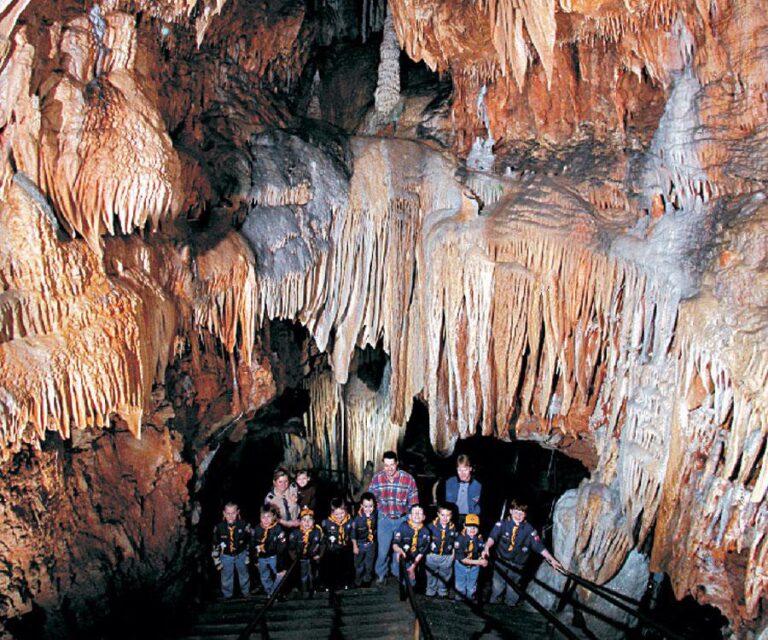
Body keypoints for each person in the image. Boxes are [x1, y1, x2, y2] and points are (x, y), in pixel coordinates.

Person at [482, 500, 564, 605]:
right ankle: (492, 604)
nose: (518, 515)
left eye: (522, 513)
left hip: (517, 564)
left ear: (525, 514)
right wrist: (487, 547)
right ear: (510, 511)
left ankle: (510, 607)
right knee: (497, 585)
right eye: (516, 512)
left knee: (513, 587)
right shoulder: (502, 524)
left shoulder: (529, 530)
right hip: (501, 560)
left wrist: (552, 560)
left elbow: (539, 547)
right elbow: (492, 537)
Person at [368, 451, 419, 582]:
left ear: (397, 464)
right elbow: (371, 500)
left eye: (392, 465)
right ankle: (381, 574)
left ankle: (397, 573)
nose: (389, 469)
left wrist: (411, 521)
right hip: (384, 519)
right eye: (386, 465)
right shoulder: (377, 479)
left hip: (402, 519)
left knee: (400, 550)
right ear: (383, 465)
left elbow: (414, 503)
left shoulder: (408, 479)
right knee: (383, 550)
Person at [212, 502, 251, 599]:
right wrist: (216, 560)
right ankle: (227, 595)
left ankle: (246, 592)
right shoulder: (219, 528)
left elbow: (249, 541)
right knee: (226, 576)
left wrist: (248, 555)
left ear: (237, 512)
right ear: (224, 513)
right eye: (228, 513)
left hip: (240, 554)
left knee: (243, 574)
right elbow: (215, 544)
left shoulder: (244, 525)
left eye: (233, 513)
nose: (230, 516)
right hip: (226, 555)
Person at [392, 504, 430, 588]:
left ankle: (408, 589)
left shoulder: (426, 532)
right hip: (401, 554)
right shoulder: (403, 526)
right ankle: (400, 580)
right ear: (409, 516)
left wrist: (413, 566)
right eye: (414, 512)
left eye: (420, 513)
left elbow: (421, 552)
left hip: (415, 557)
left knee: (412, 581)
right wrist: (398, 550)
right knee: (397, 571)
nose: (417, 514)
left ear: (424, 517)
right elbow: (395, 543)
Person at [252, 505, 287, 595]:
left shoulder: (278, 529)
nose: (266, 520)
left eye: (269, 517)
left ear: (274, 517)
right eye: (263, 517)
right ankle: (269, 592)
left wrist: (280, 560)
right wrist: (255, 559)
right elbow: (253, 544)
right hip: (261, 557)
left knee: (280, 574)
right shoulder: (257, 529)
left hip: (274, 556)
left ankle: (274, 592)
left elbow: (282, 545)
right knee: (264, 576)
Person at [288, 507, 323, 597]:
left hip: (313, 558)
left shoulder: (317, 531)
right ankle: (304, 591)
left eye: (310, 520)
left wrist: (319, 554)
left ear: (314, 521)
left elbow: (322, 544)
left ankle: (313, 590)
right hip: (301, 559)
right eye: (304, 520)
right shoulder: (295, 533)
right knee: (303, 576)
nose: (307, 523)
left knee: (312, 575)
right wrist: (295, 557)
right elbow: (291, 548)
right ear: (300, 522)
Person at [321, 497, 354, 591]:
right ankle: (329, 584)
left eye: (342, 513)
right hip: (332, 549)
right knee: (331, 568)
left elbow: (352, 533)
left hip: (344, 548)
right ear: (331, 513)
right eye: (336, 514)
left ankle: (345, 583)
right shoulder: (326, 523)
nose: (339, 516)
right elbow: (324, 536)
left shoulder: (350, 521)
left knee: (345, 567)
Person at [425, 504, 458, 598]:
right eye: (442, 515)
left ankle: (442, 591)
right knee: (431, 574)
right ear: (438, 514)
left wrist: (453, 555)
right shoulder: (430, 526)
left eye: (448, 515)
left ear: (451, 516)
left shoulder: (454, 528)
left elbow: (456, 542)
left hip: (446, 556)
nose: (445, 518)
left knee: (445, 575)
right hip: (432, 555)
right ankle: (430, 590)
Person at [453, 513, 487, 601]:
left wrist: (483, 556)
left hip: (474, 568)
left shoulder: (479, 538)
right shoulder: (459, 539)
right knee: (460, 586)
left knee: (472, 587)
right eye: (469, 526)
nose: (472, 529)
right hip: (461, 566)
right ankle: (459, 603)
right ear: (464, 526)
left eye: (475, 527)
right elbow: (463, 560)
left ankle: (470, 602)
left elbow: (482, 548)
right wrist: (479, 562)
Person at [444, 454, 482, 524]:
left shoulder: (478, 484)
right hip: (454, 517)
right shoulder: (450, 482)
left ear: (470, 469)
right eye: (459, 470)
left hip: (471, 517)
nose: (462, 473)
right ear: (456, 469)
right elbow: (448, 503)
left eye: (465, 470)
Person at [351, 492, 378, 587]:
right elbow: (353, 534)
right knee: (359, 566)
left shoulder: (375, 515)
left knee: (369, 565)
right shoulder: (357, 519)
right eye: (365, 506)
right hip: (360, 545)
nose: (368, 509)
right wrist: (355, 546)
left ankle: (366, 582)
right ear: (361, 506)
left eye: (371, 506)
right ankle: (357, 581)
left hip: (371, 544)